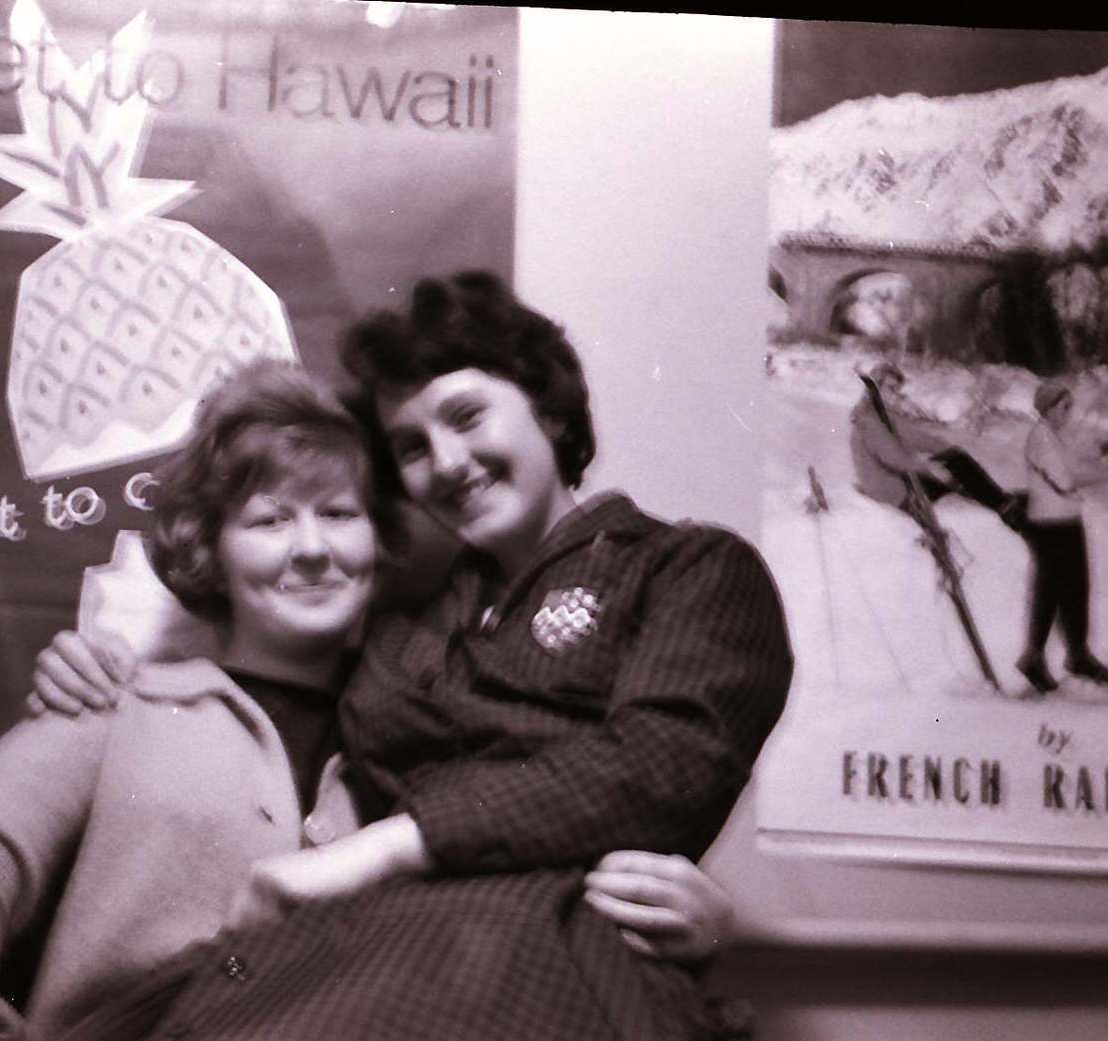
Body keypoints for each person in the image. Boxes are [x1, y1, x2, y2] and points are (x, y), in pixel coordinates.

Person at [0, 362, 733, 1041]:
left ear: (378, 539)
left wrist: (686, 912)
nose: (311, 549)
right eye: (271, 521)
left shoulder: (437, 736)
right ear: (212, 548)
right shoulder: (119, 705)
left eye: (339, 514)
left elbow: (524, 870)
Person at [43, 271, 794, 1041]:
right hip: (376, 948)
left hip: (545, 952)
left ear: (551, 408)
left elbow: (660, 762)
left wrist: (391, 845)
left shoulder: (686, 568)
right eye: (411, 447)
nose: (448, 461)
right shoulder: (404, 620)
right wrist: (107, 672)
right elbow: (263, 655)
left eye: (467, 416)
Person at [1016, 377, 1108, 693]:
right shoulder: (1041, 438)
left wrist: (1101, 458)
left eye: (1070, 406)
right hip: (1050, 525)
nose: (1069, 412)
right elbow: (1064, 480)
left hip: (1066, 521)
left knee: (1076, 589)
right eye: (1064, 407)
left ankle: (1077, 653)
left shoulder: (1055, 436)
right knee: (1050, 593)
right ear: (1047, 408)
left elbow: (1074, 467)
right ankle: (1035, 657)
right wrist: (1105, 472)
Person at [850, 360, 1025, 528]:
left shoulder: (882, 414)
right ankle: (1004, 507)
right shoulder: (869, 421)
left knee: (955, 461)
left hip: (897, 484)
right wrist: (930, 467)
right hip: (896, 495)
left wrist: (946, 448)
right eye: (890, 388)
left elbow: (917, 437)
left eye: (897, 389)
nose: (895, 394)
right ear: (875, 388)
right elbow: (895, 458)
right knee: (954, 468)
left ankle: (999, 500)